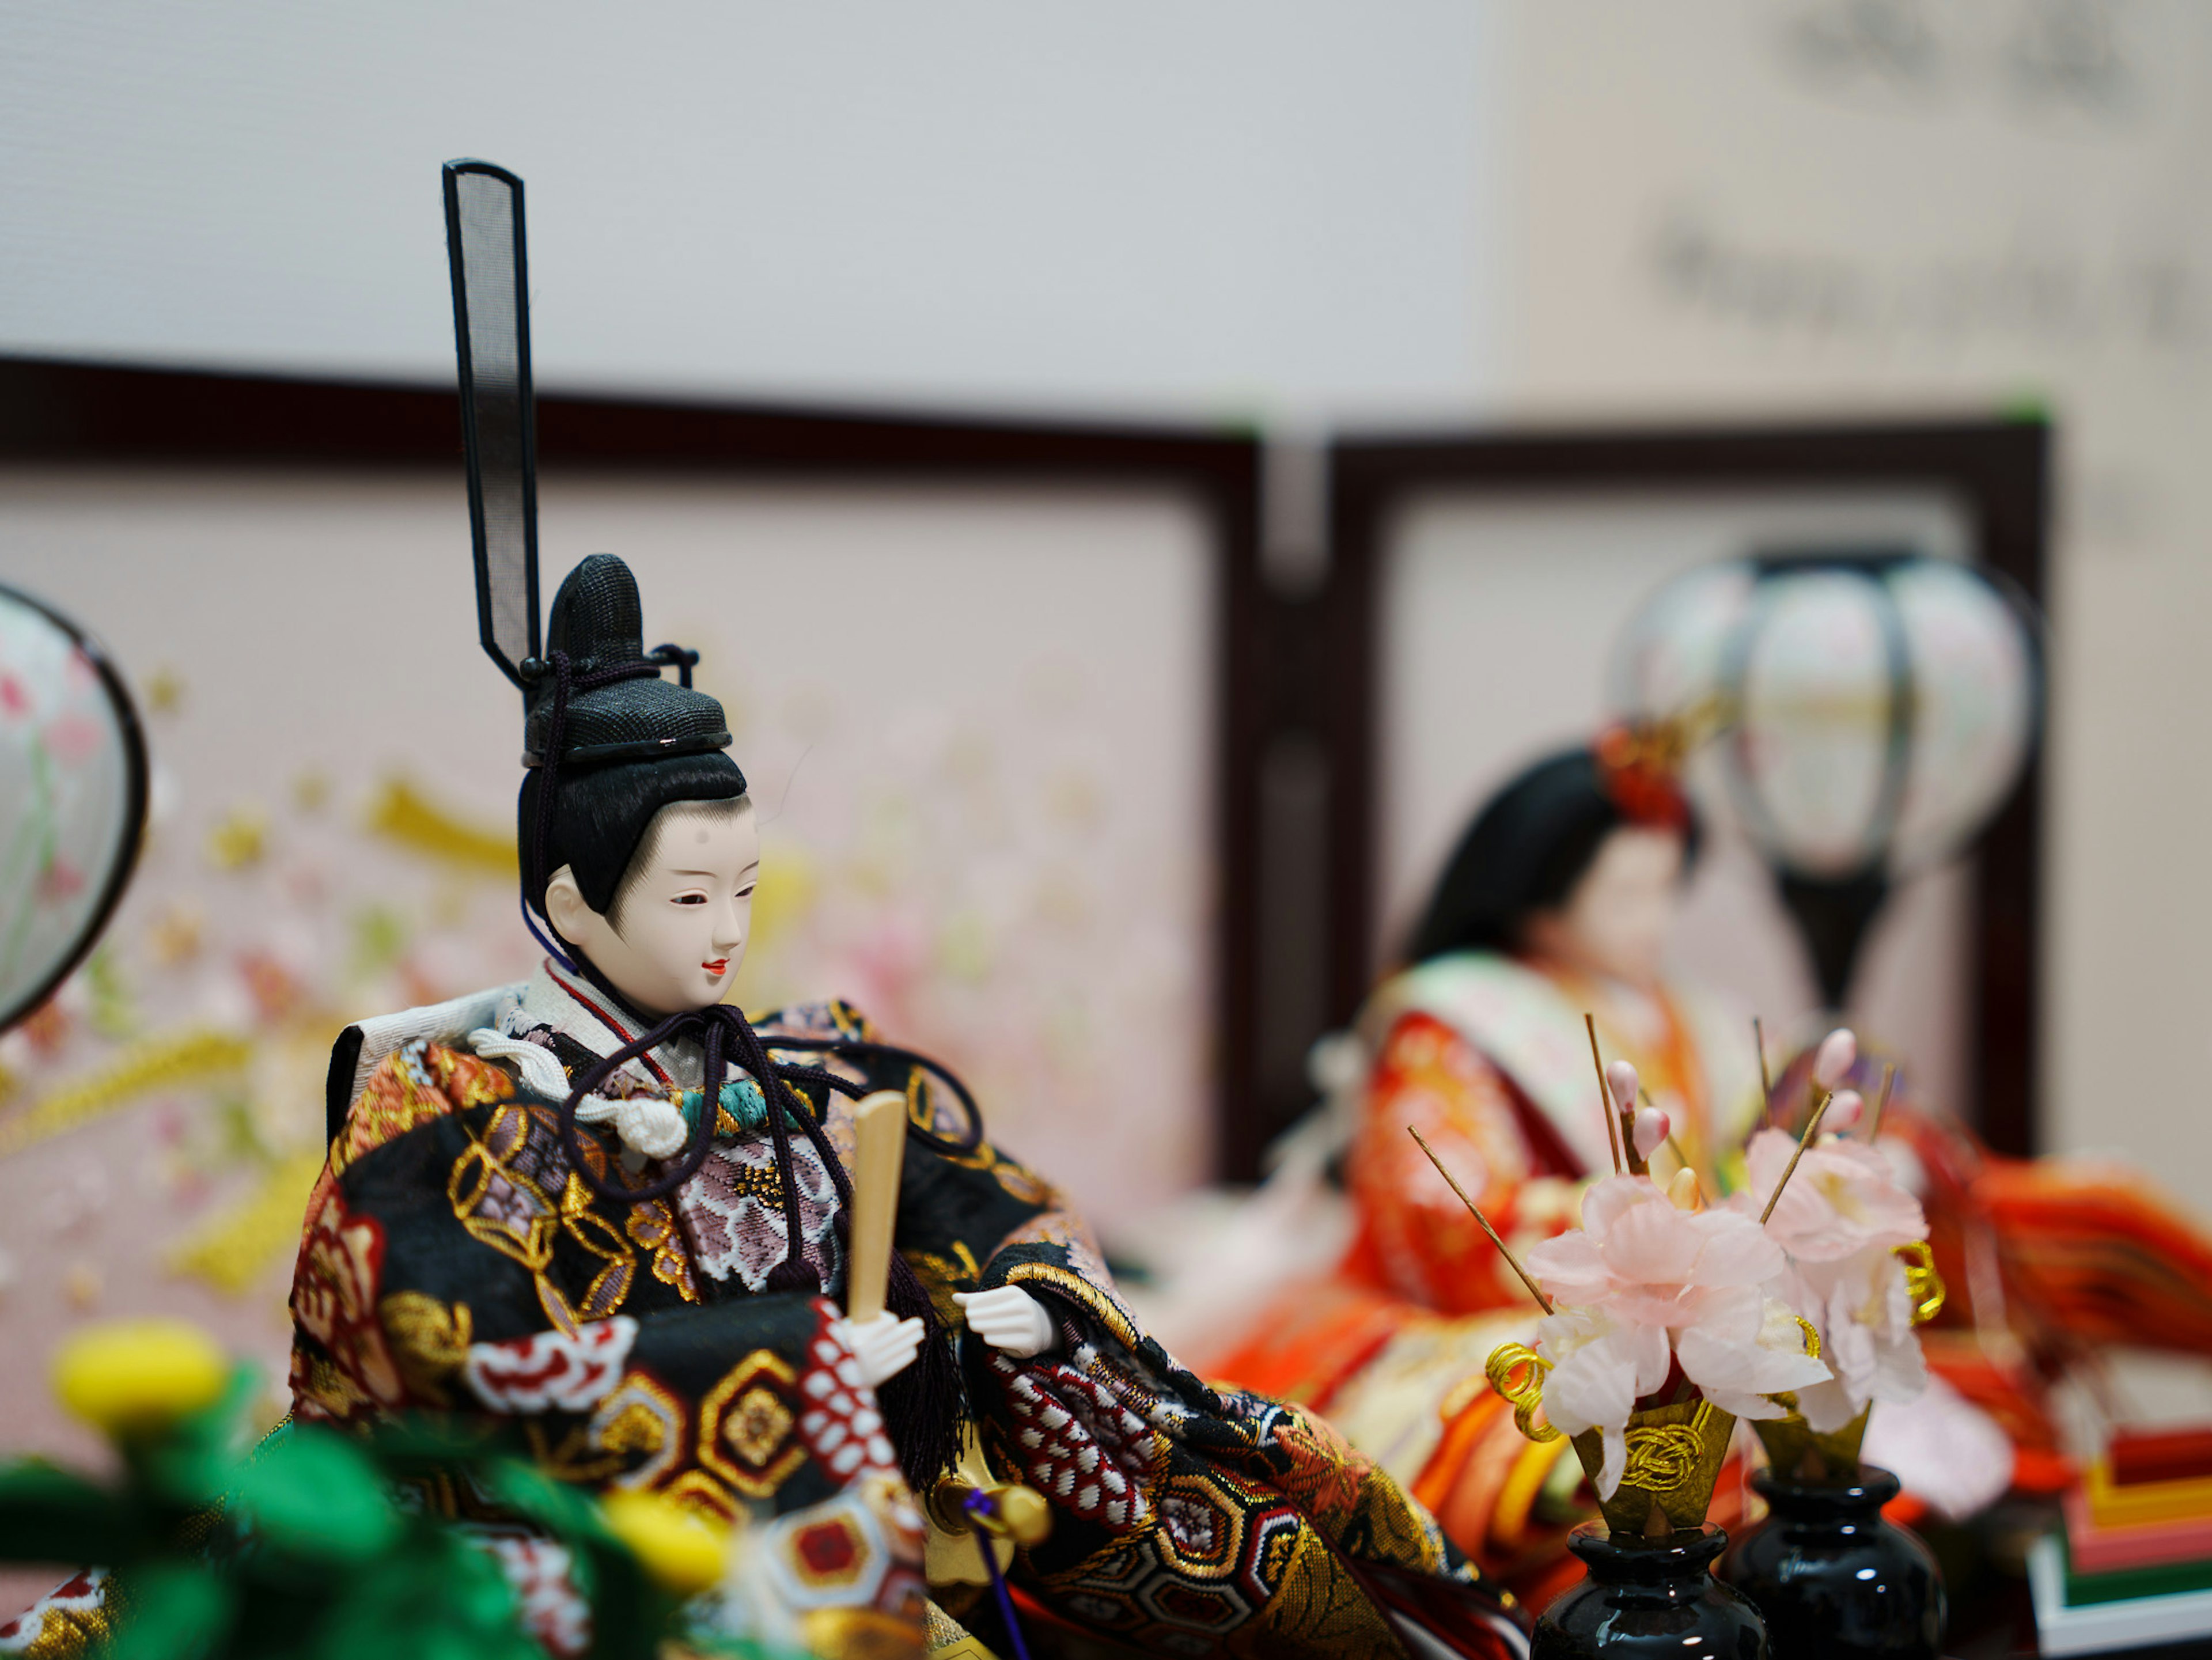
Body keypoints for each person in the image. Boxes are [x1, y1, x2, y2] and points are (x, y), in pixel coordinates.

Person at [291, 555, 1531, 1660]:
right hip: (603, 1545)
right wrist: (799, 1358)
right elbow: (448, 1340)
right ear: (570, 905)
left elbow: (975, 1193)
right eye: (688, 901)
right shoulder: (460, 1094)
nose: (727, 936)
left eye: (745, 890)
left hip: (834, 1503)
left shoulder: (796, 1064)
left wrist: (1037, 1300)